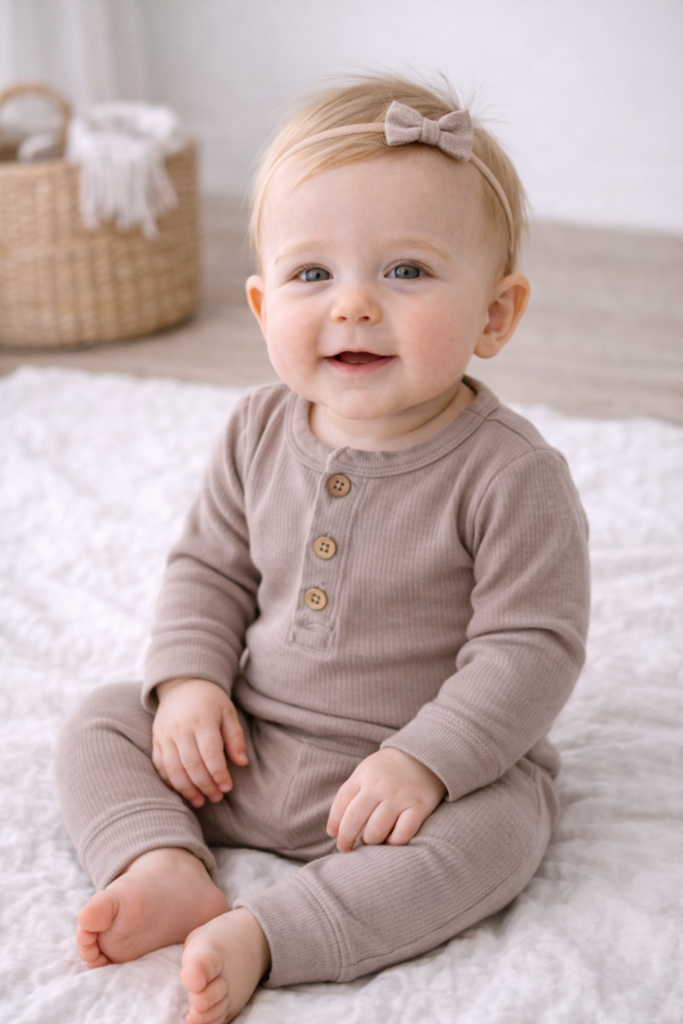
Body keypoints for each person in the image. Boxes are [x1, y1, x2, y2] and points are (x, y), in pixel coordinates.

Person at [56, 74, 590, 1024]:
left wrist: (426, 761)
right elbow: (208, 570)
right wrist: (189, 687)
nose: (352, 305)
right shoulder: (258, 429)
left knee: (505, 833)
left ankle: (275, 934)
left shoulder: (511, 476)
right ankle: (165, 862)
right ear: (263, 306)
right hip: (246, 749)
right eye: (312, 275)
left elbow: (529, 649)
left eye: (406, 271)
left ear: (495, 315)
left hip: (417, 781)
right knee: (103, 719)